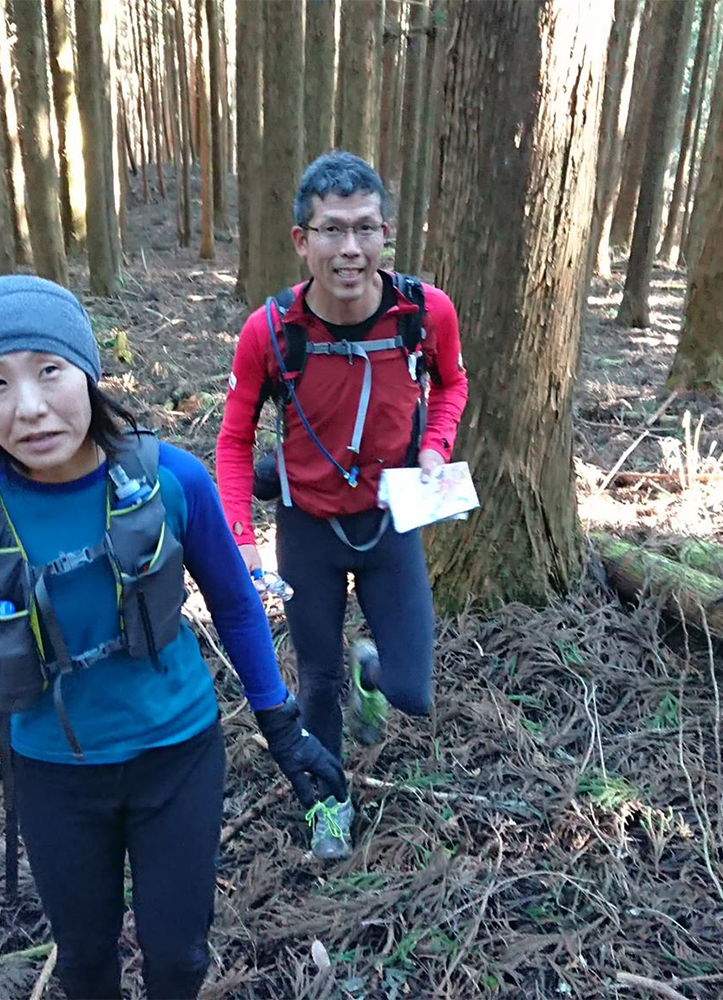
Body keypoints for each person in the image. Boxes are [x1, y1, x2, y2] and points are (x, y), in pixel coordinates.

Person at [0, 275, 344, 1000]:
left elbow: (237, 607)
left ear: (88, 372)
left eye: (49, 371)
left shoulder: (174, 481)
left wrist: (281, 725)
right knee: (86, 961)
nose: (28, 407)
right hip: (52, 774)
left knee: (180, 958)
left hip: (178, 758)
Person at [215, 152, 469, 860]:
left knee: (415, 691)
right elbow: (234, 441)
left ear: (385, 233)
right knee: (316, 682)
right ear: (302, 241)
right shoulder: (270, 331)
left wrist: (435, 445)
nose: (349, 249)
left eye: (364, 229)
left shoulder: (425, 311)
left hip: (391, 521)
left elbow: (451, 384)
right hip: (307, 529)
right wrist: (242, 538)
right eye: (331, 230)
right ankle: (328, 805)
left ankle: (376, 672)